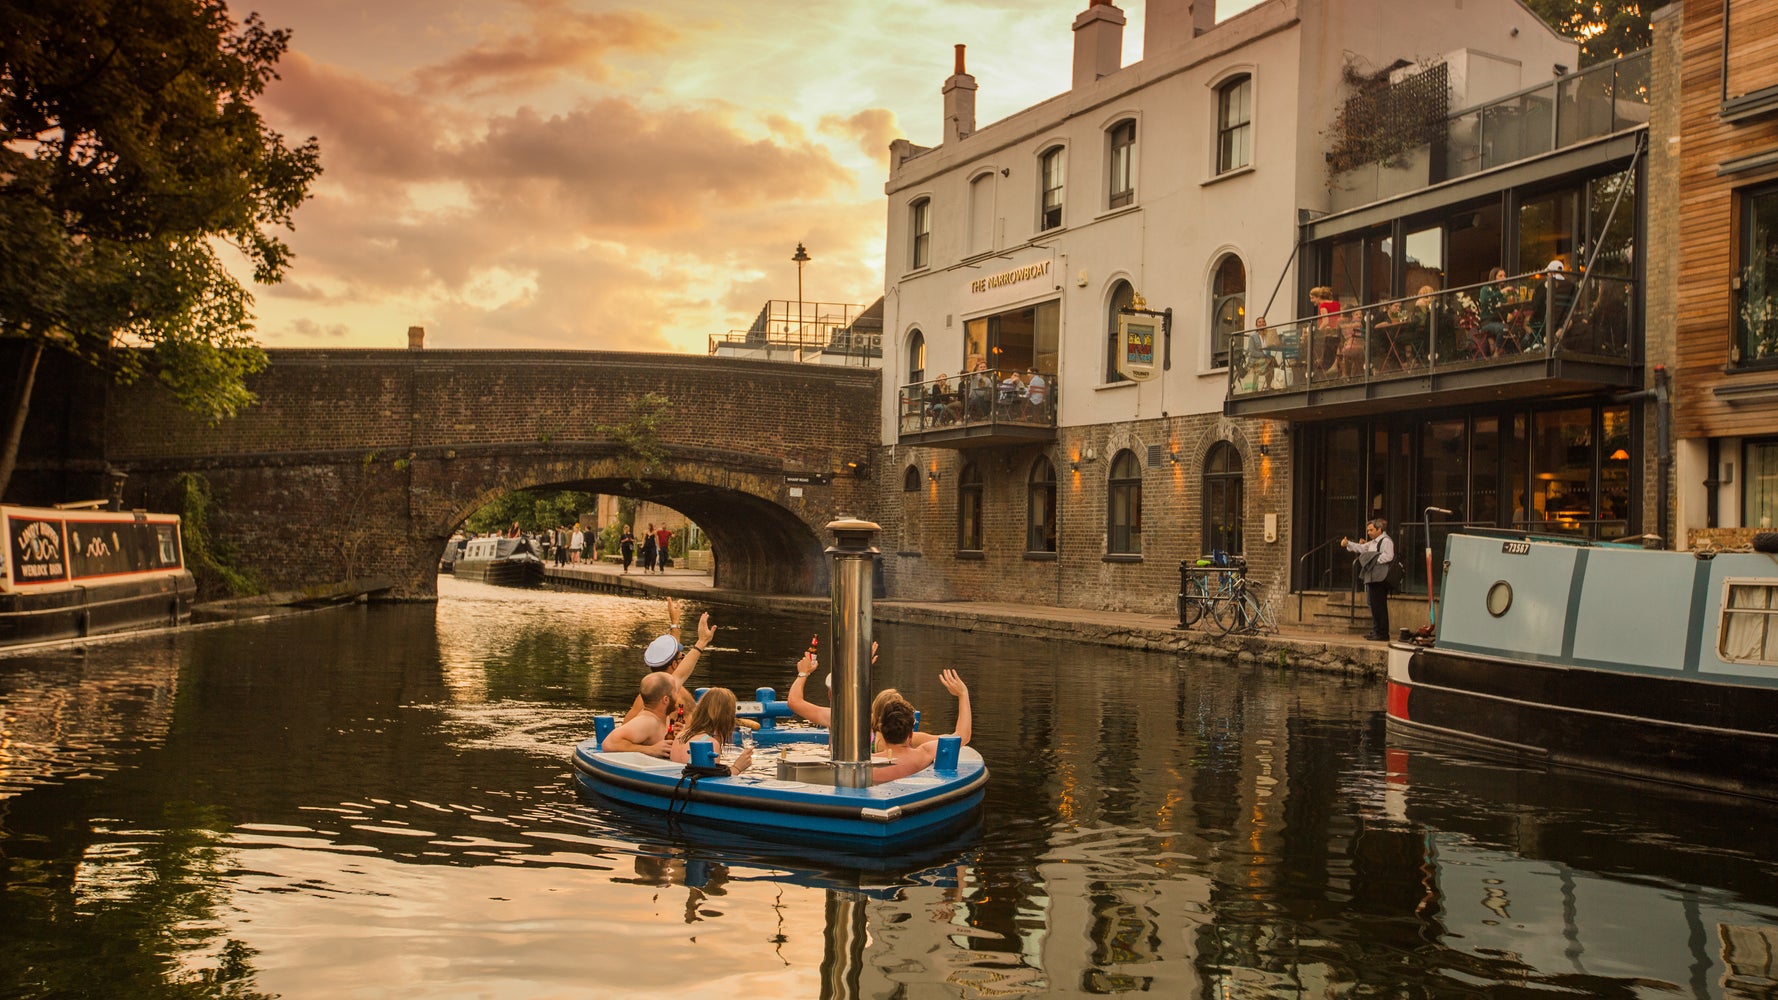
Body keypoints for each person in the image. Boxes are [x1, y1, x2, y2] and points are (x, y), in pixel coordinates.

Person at [622, 596, 716, 726]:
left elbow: (673, 652)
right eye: (683, 658)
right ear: (674, 665)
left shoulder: (656, 691)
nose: (685, 659)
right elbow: (626, 726)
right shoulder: (654, 698)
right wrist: (702, 642)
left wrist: (675, 622)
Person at [666, 687, 755, 776]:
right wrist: (737, 767)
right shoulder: (710, 743)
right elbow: (711, 781)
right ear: (727, 717)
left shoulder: (680, 735)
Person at [1342, 518, 1395, 641]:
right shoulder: (1373, 542)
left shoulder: (1385, 541)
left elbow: (1388, 556)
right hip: (1372, 576)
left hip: (1380, 577)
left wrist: (1373, 560)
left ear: (1379, 529)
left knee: (1379, 605)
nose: (1369, 532)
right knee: (1373, 604)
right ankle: (1376, 630)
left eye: (1371, 530)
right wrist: (1348, 543)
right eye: (1368, 530)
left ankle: (1382, 633)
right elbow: (1362, 548)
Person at [602, 671, 678, 757]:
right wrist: (651, 749)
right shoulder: (647, 721)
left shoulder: (662, 717)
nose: (677, 695)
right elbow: (609, 744)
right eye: (675, 691)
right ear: (666, 700)